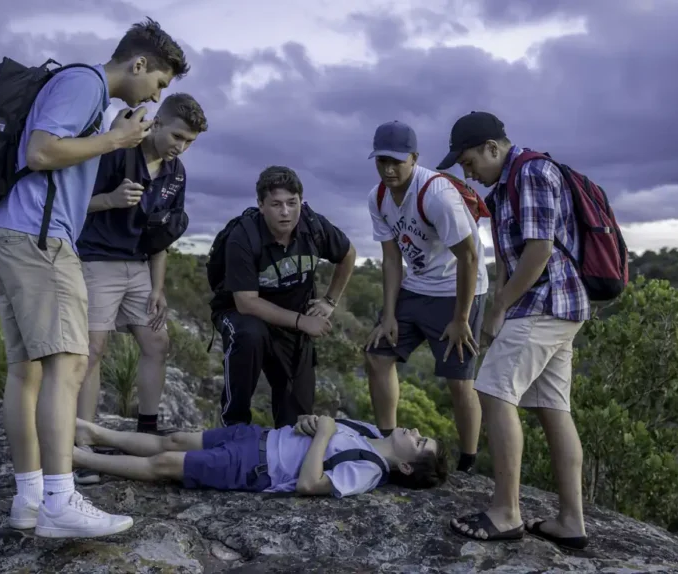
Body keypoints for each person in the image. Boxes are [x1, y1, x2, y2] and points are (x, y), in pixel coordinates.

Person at [0, 18, 190, 539]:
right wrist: (115, 139)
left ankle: (31, 499)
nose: (157, 93)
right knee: (69, 363)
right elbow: (41, 152)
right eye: (159, 83)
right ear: (138, 64)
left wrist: (109, 132)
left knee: (26, 371)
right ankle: (59, 498)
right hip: (39, 238)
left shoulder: (89, 96)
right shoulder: (84, 83)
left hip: (13, 232)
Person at [438, 111, 590, 550]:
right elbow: (508, 256)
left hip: (546, 304)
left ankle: (506, 512)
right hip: (549, 307)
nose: (469, 172)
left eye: (469, 162)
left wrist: (499, 307)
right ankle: (570, 522)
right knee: (551, 407)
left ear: (493, 147)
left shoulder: (533, 173)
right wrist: (498, 304)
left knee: (493, 391)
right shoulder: (504, 187)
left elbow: (539, 251)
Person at [73, 93, 207, 486]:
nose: (181, 147)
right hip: (97, 260)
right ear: (158, 123)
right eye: (178, 136)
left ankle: (145, 433)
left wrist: (158, 287)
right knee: (93, 350)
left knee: (156, 343)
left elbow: (161, 235)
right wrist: (111, 200)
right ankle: (83, 443)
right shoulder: (116, 149)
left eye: (189, 143)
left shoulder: (176, 173)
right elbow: (70, 203)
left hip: (140, 268)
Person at [363, 121, 487, 474]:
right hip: (416, 286)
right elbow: (390, 258)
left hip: (457, 289)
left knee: (459, 381)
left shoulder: (436, 194)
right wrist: (388, 315)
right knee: (376, 355)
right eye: (381, 161)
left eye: (397, 162)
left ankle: (468, 463)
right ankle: (388, 443)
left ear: (414, 159)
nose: (388, 169)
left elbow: (469, 257)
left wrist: (461, 319)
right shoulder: (379, 197)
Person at [208, 166, 357, 428]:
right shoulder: (243, 236)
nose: (286, 212)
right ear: (261, 205)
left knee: (296, 419)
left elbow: (348, 254)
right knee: (249, 335)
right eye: (276, 204)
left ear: (301, 201)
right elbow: (246, 302)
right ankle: (233, 427)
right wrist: (302, 321)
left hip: (291, 321)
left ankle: (284, 452)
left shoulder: (313, 227)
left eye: (292, 203)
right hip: (242, 315)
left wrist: (329, 301)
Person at [72, 414, 450, 497]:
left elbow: (309, 484)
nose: (415, 432)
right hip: (258, 436)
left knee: (166, 466)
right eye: (421, 434)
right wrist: (311, 423)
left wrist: (323, 434)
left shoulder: (368, 471)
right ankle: (96, 433)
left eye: (419, 443)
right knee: (175, 441)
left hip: (256, 467)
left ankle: (81, 459)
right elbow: (317, 424)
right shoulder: (369, 431)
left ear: (405, 465)